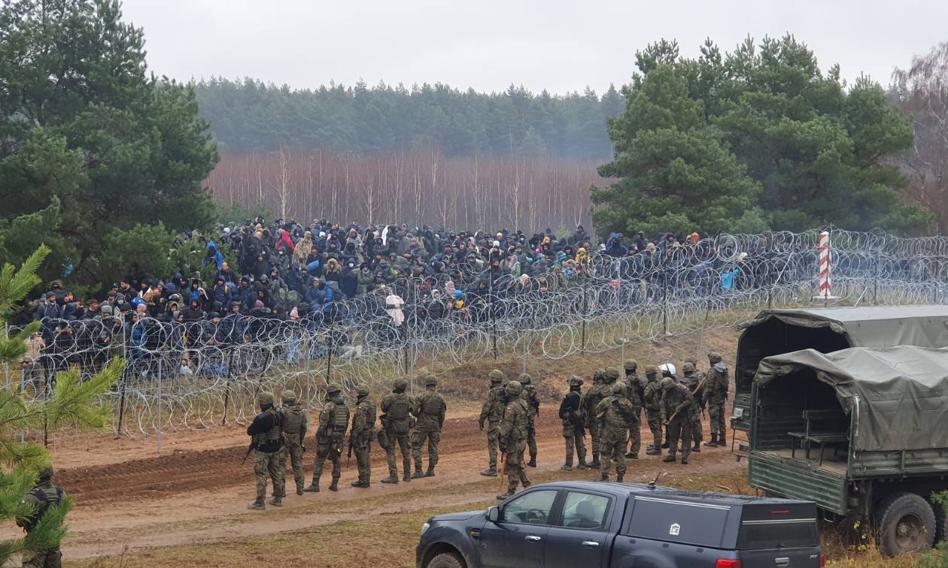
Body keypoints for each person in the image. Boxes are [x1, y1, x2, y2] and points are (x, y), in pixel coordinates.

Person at [17, 465, 64, 568]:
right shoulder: (60, 493)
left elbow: (20, 521)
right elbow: (61, 515)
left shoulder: (32, 497)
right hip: (54, 540)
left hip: (36, 541)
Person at [305, 384, 349, 492]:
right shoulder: (345, 407)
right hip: (338, 437)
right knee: (336, 460)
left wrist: (319, 435)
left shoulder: (329, 406)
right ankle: (334, 484)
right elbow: (346, 423)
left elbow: (323, 424)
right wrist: (341, 436)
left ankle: (315, 485)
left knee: (319, 459)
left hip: (327, 437)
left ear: (329, 394)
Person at [246, 391, 285, 509]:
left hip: (263, 449)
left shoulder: (261, 418)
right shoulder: (280, 414)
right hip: (276, 448)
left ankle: (260, 501)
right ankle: (278, 498)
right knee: (276, 472)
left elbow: (250, 431)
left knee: (261, 474)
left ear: (262, 403)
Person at [596, 382, 637, 482]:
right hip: (622, 433)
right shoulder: (628, 403)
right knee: (621, 455)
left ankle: (605, 476)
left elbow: (597, 411)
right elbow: (633, 418)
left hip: (608, 432)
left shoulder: (606, 401)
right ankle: (620, 477)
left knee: (605, 454)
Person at [497, 380, 530, 500]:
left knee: (512, 464)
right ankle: (527, 485)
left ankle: (511, 490)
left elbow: (507, 427)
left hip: (514, 439)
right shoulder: (523, 403)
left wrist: (502, 442)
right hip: (522, 437)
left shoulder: (511, 407)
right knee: (519, 461)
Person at [411, 375, 446, 478]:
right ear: (435, 385)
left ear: (426, 385)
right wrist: (439, 425)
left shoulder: (421, 396)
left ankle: (418, 470)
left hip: (422, 424)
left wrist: (419, 416)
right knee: (433, 447)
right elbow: (442, 414)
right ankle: (431, 470)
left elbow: (414, 411)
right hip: (435, 424)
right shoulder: (440, 397)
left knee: (416, 446)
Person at [380, 379, 413, 484]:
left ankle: (393, 476)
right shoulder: (409, 398)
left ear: (395, 387)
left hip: (392, 428)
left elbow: (383, 408)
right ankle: (407, 476)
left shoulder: (389, 398)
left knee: (391, 451)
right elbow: (413, 409)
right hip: (404, 428)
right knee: (406, 452)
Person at [477, 369, 506, 477]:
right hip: (505, 422)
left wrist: (481, 419)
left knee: (493, 445)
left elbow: (487, 407)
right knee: (505, 444)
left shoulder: (492, 392)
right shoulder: (506, 391)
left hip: (494, 422)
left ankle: (493, 468)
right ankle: (506, 467)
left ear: (492, 380)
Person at [660, 377, 694, 465]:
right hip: (673, 416)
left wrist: (681, 406)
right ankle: (672, 454)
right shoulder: (666, 392)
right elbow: (662, 405)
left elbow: (690, 399)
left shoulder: (682, 388)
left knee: (686, 436)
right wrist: (663, 418)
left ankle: (685, 456)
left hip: (686, 415)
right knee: (673, 435)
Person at [280, 390, 308, 495]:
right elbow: (304, 428)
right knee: (297, 464)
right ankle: (300, 489)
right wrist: (300, 440)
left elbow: (279, 426)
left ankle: (281, 490)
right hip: (297, 438)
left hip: (285, 438)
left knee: (281, 464)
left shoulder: (283, 411)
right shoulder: (301, 412)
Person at [558, 376, 588, 471]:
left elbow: (561, 412)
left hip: (570, 422)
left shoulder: (569, 396)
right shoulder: (582, 396)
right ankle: (582, 463)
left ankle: (568, 465)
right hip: (579, 422)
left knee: (569, 443)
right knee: (580, 442)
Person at [350, 385, 376, 488]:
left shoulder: (362, 406)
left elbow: (359, 423)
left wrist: (354, 436)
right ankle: (365, 479)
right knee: (365, 455)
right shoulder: (371, 403)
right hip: (368, 432)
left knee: (362, 457)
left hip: (362, 434)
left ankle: (363, 480)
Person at [583, 369, 608, 468]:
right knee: (606, 438)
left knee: (595, 439)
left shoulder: (592, 389)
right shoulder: (608, 388)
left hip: (595, 417)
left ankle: (596, 460)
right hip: (606, 416)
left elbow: (585, 401)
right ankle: (605, 459)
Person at [704, 352, 729, 448]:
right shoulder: (724, 370)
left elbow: (708, 388)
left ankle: (713, 440)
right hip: (722, 398)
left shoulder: (713, 371)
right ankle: (722, 439)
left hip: (714, 399)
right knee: (721, 419)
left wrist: (703, 401)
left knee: (714, 419)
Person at [680, 362, 704, 453]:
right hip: (696, 405)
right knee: (696, 425)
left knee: (686, 426)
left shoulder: (684, 381)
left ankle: (686, 446)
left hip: (688, 406)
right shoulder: (698, 379)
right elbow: (702, 393)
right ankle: (697, 445)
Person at [623, 359, 643, 459]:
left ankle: (621, 450)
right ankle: (634, 451)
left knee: (623, 428)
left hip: (628, 406)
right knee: (635, 429)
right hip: (638, 406)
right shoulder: (640, 380)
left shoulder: (626, 381)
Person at [519, 373, 540, 467]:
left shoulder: (520, 392)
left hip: (522, 419)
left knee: (521, 439)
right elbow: (537, 402)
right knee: (531, 439)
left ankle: (521, 460)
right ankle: (533, 459)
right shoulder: (532, 390)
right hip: (530, 418)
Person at [642, 366, 663, 456]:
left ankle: (657, 449)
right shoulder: (659, 383)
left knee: (655, 429)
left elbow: (647, 396)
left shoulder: (650, 385)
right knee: (659, 428)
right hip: (659, 409)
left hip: (653, 409)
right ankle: (657, 445)